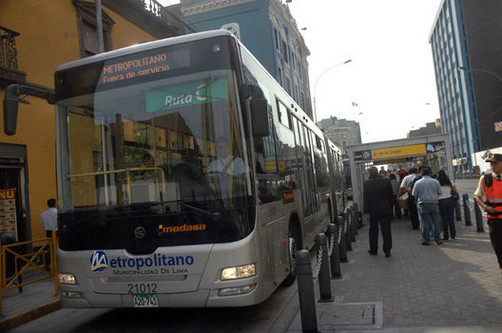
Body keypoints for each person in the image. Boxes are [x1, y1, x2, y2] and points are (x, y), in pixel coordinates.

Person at [474, 153, 502, 273]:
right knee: (498, 248)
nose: (492, 165)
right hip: (494, 220)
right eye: (491, 163)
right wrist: (485, 206)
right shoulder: (486, 178)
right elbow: (477, 196)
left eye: (495, 163)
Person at [363, 166, 394, 257]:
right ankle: (387, 250)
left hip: (372, 211)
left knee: (373, 230)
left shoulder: (367, 184)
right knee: (386, 230)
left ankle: (373, 249)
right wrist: (390, 208)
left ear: (370, 174)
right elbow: (390, 196)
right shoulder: (386, 181)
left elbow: (366, 199)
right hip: (385, 209)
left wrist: (366, 211)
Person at [412, 166, 443, 245]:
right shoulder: (435, 181)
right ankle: (438, 239)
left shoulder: (418, 183)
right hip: (434, 203)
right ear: (429, 173)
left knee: (425, 222)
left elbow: (414, 194)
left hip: (423, 204)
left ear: (421, 174)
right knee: (436, 222)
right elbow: (440, 192)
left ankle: (426, 240)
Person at [437, 170, 457, 240]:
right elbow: (455, 190)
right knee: (451, 218)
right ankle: (453, 234)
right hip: (449, 200)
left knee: (444, 219)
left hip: (441, 201)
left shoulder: (437, 183)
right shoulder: (449, 182)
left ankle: (446, 235)